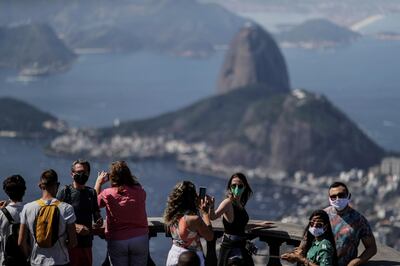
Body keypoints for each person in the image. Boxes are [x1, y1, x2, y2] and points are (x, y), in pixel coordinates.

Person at [18, 169, 77, 265]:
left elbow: (21, 242)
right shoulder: (67, 208)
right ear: (57, 185)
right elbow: (73, 242)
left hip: (36, 261)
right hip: (60, 261)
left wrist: (29, 256)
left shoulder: (28, 208)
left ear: (40, 186)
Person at [95, 161, 149, 266]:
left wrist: (98, 183)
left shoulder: (107, 193)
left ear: (112, 177)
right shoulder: (140, 191)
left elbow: (94, 204)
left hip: (117, 239)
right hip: (140, 238)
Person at [57, 159, 102, 266]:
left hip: (87, 244)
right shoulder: (65, 192)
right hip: (68, 245)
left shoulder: (91, 193)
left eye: (85, 172)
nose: (82, 174)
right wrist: (75, 227)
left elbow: (96, 214)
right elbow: (55, 216)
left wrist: (99, 220)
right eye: (79, 172)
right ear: (72, 174)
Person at [325, 182, 377, 266]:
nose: (337, 199)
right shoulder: (321, 216)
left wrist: (356, 261)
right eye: (333, 197)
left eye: (341, 195)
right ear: (329, 199)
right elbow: (307, 237)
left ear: (348, 196)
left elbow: (371, 248)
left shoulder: (359, 220)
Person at [209, 172, 254, 266]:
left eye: (240, 186)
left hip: (241, 247)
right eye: (234, 186)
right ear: (230, 187)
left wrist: (260, 225)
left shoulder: (240, 204)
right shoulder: (228, 203)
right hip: (231, 249)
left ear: (245, 187)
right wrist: (211, 207)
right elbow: (213, 217)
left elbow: (240, 226)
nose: (237, 189)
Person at [164, 181, 213, 266]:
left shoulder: (171, 216)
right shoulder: (193, 219)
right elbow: (210, 236)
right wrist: (205, 213)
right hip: (191, 259)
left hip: (174, 255)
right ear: (192, 198)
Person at [0, 175, 27, 265]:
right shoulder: (30, 210)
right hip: (25, 260)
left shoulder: (1, 214)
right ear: (24, 191)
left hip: (6, 261)